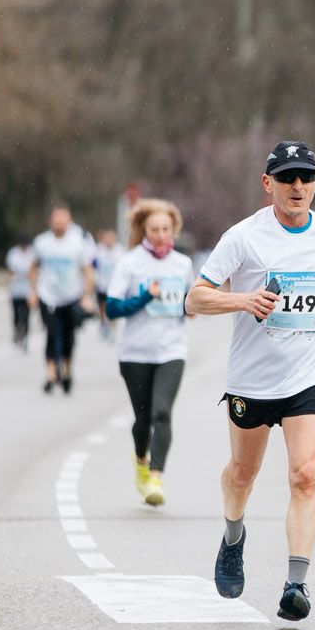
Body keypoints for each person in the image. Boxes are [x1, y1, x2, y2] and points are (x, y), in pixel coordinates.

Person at [188, 141, 315, 623]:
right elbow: (195, 298)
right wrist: (242, 300)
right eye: (286, 178)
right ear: (268, 184)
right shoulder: (244, 237)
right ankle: (233, 536)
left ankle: (296, 584)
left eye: (306, 177)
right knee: (243, 473)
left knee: (305, 474)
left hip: (309, 376)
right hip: (253, 380)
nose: (297, 186)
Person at [106, 199, 194, 507]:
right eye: (154, 229)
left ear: (174, 230)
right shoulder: (129, 263)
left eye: (166, 229)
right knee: (143, 419)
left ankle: (156, 477)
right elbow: (112, 308)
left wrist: (190, 307)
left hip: (172, 350)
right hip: (135, 354)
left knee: (162, 412)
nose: (160, 235)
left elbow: (188, 300)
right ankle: (141, 460)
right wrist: (145, 296)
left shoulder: (182, 264)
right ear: (143, 230)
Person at [29, 207, 96, 394]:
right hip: (48, 297)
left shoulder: (78, 243)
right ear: (50, 222)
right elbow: (33, 267)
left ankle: (66, 371)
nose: (59, 224)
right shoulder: (42, 242)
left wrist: (86, 296)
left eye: (62, 221)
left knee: (68, 337)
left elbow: (87, 271)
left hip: (71, 297)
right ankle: (51, 374)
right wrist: (33, 292)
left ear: (69, 222)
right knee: (52, 334)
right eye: (56, 221)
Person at [92, 229, 124, 345]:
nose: (109, 241)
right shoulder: (98, 250)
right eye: (107, 239)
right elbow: (93, 266)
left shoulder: (120, 251)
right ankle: (104, 323)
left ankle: (112, 327)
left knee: (113, 308)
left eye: (111, 238)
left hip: (115, 286)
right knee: (102, 307)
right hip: (101, 285)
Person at [4, 240, 35, 350]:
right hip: (16, 290)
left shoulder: (32, 253)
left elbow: (34, 270)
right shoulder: (14, 253)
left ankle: (25, 336)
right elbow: (9, 269)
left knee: (26, 316)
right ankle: (17, 332)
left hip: (28, 291)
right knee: (16, 314)